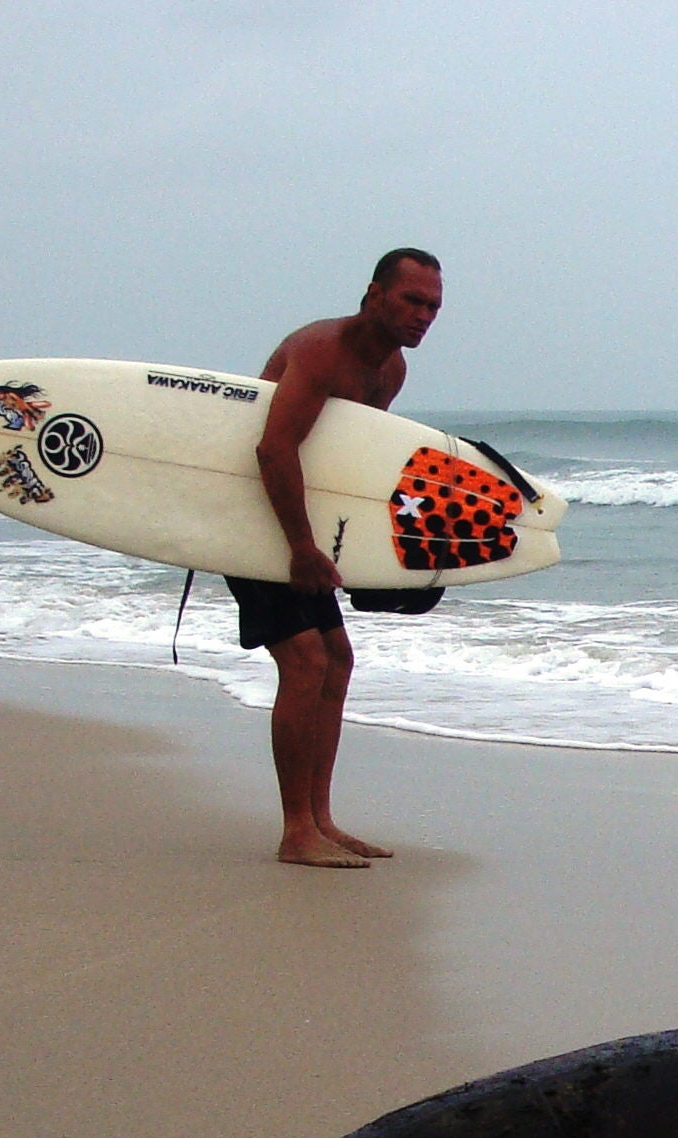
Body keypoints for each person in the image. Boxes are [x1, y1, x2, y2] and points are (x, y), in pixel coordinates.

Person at [227, 248, 446, 869]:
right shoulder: (323, 351)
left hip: (299, 528)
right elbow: (273, 450)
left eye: (433, 305)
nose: (423, 314)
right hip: (251, 518)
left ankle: (321, 819)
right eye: (412, 300)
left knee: (337, 661)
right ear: (374, 294)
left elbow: (347, 466)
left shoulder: (391, 371)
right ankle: (296, 831)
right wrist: (299, 547)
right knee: (304, 661)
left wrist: (377, 551)